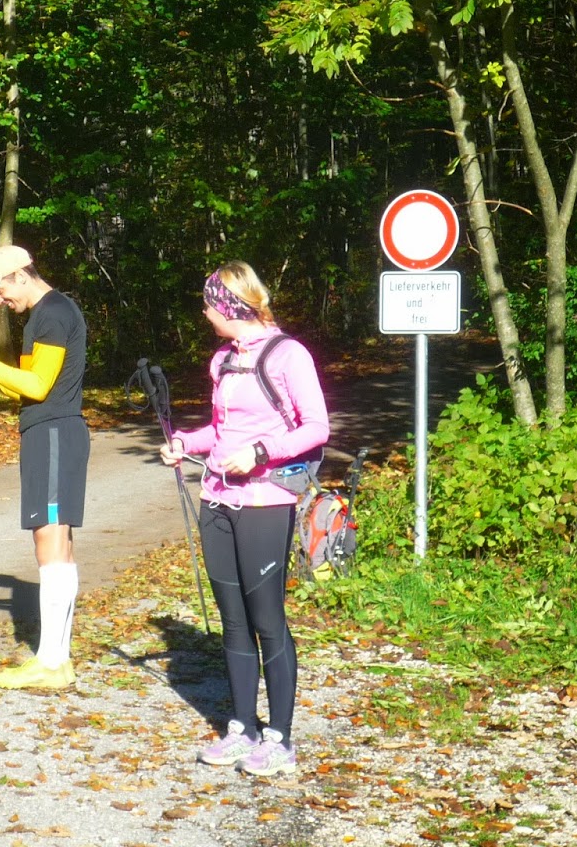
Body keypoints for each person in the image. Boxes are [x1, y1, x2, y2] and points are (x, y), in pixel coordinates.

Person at [159, 261, 329, 776]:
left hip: (265, 502)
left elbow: (317, 426)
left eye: (209, 305)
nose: (205, 313)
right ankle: (241, 728)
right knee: (233, 621)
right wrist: (186, 443)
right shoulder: (222, 362)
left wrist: (262, 452)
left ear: (230, 306)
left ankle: (279, 738)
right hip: (216, 499)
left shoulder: (288, 355)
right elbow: (221, 430)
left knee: (267, 621)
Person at [0, 244, 90, 691]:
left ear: (21, 276)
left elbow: (37, 384)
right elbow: (29, 391)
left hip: (53, 436)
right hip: (51, 433)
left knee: (50, 546)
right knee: (59, 547)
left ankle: (51, 663)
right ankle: (58, 659)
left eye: (0, 290)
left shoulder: (50, 314)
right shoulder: (46, 313)